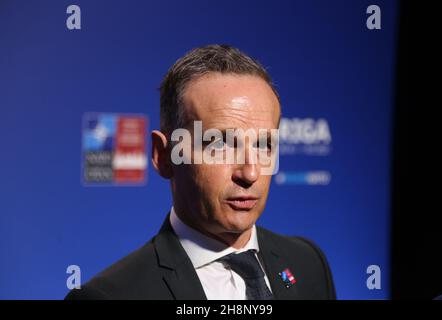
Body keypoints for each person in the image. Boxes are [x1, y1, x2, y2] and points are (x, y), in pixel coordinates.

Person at [65, 44, 336, 300]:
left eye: (263, 144)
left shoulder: (308, 263)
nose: (250, 172)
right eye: (220, 144)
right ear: (164, 155)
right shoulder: (110, 296)